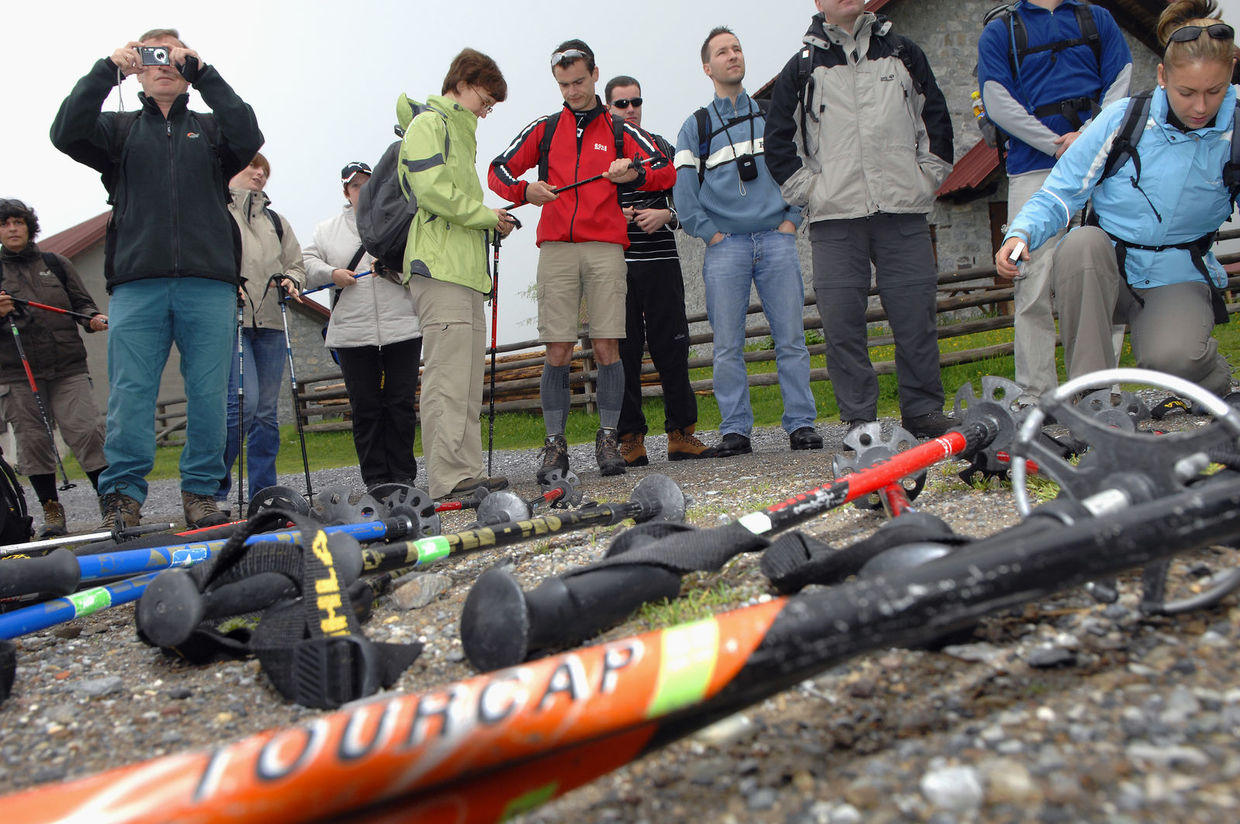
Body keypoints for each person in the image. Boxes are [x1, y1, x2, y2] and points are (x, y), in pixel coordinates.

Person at [51, 28, 262, 529]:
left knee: (210, 392)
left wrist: (205, 73)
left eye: (174, 56)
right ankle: (123, 495)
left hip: (208, 281)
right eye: (152, 56)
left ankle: (202, 493)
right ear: (139, 71)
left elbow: (248, 133)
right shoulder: (117, 132)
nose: (164, 64)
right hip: (136, 282)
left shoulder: (212, 132)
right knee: (131, 392)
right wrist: (108, 69)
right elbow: (65, 131)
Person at [996, 0, 1237, 398]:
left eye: (1214, 92)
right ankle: (1092, 405)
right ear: (1162, 76)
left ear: (1230, 76)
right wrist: (1020, 233)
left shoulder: (1237, 131)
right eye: (1187, 92)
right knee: (1081, 243)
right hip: (1105, 266)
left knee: (1172, 361)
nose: (1200, 106)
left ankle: (1212, 381)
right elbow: (1060, 190)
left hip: (1177, 273)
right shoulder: (1123, 119)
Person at [489, 39, 677, 482]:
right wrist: (525, 191)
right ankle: (555, 445)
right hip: (555, 248)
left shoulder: (618, 128)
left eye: (578, 81)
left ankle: (608, 438)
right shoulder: (545, 128)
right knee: (557, 349)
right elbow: (498, 170)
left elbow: (665, 167)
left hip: (606, 248)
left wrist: (633, 171)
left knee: (608, 345)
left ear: (594, 74)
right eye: (563, 84)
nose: (572, 91)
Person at [765, 2, 955, 440]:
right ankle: (860, 421)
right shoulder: (801, 68)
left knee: (915, 317)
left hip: (903, 210)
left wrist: (926, 180)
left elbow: (936, 119)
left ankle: (924, 410)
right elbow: (778, 142)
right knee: (842, 324)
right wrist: (809, 193)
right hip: (835, 217)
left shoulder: (904, 52)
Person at [674, 27, 823, 457]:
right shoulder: (696, 126)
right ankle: (736, 430)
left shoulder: (771, 114)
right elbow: (684, 191)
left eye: (737, 48)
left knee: (791, 339)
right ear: (708, 67)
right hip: (727, 247)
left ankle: (802, 424)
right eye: (722, 52)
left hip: (777, 240)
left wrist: (792, 219)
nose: (733, 56)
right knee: (727, 346)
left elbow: (800, 166)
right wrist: (710, 234)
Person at [980, 0, 1133, 404]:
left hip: (1101, 162)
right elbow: (997, 101)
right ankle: (1036, 392)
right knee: (1030, 280)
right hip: (1033, 166)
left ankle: (1103, 387)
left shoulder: (1097, 19)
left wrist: (1088, 136)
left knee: (1103, 273)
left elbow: (1120, 83)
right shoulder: (1000, 30)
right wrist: (1054, 144)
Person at [399, 49, 512, 500]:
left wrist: (489, 220)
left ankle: (465, 471)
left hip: (463, 271)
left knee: (464, 378)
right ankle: (448, 478)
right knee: (447, 377)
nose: (487, 110)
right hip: (439, 269)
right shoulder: (430, 124)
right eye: (486, 99)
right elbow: (431, 191)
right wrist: (486, 215)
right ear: (463, 82)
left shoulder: (461, 134)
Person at [605, 75, 716, 467]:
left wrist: (667, 214)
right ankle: (630, 439)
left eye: (636, 101)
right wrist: (613, 216)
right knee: (623, 353)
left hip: (661, 260)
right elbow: (585, 205)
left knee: (673, 347)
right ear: (609, 109)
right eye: (621, 104)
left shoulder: (663, 147)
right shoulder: (602, 150)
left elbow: (690, 193)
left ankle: (680, 433)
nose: (630, 109)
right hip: (616, 266)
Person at [303, 162, 423, 494]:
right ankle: (375, 478)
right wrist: (332, 273)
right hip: (352, 332)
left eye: (368, 184)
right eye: (355, 186)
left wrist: (393, 271)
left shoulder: (400, 222)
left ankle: (403, 474)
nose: (362, 190)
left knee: (400, 402)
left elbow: (419, 262)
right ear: (346, 192)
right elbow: (306, 263)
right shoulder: (327, 229)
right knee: (366, 405)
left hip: (402, 326)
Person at [0, 199, 108, 537]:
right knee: (32, 442)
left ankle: (111, 503)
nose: (12, 229)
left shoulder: (56, 263)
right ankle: (52, 510)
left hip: (67, 366)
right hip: (16, 373)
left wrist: (92, 319)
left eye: (18, 222)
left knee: (86, 432)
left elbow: (82, 302)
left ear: (30, 227)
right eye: (5, 224)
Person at [216, 153, 304, 506]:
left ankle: (264, 493)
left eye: (264, 170)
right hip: (231, 321)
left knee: (266, 413)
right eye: (251, 166)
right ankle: (214, 490)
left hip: (270, 321)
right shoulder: (215, 213)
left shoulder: (275, 221)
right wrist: (225, 282)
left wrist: (291, 280)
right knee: (242, 406)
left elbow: (295, 264)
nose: (259, 174)